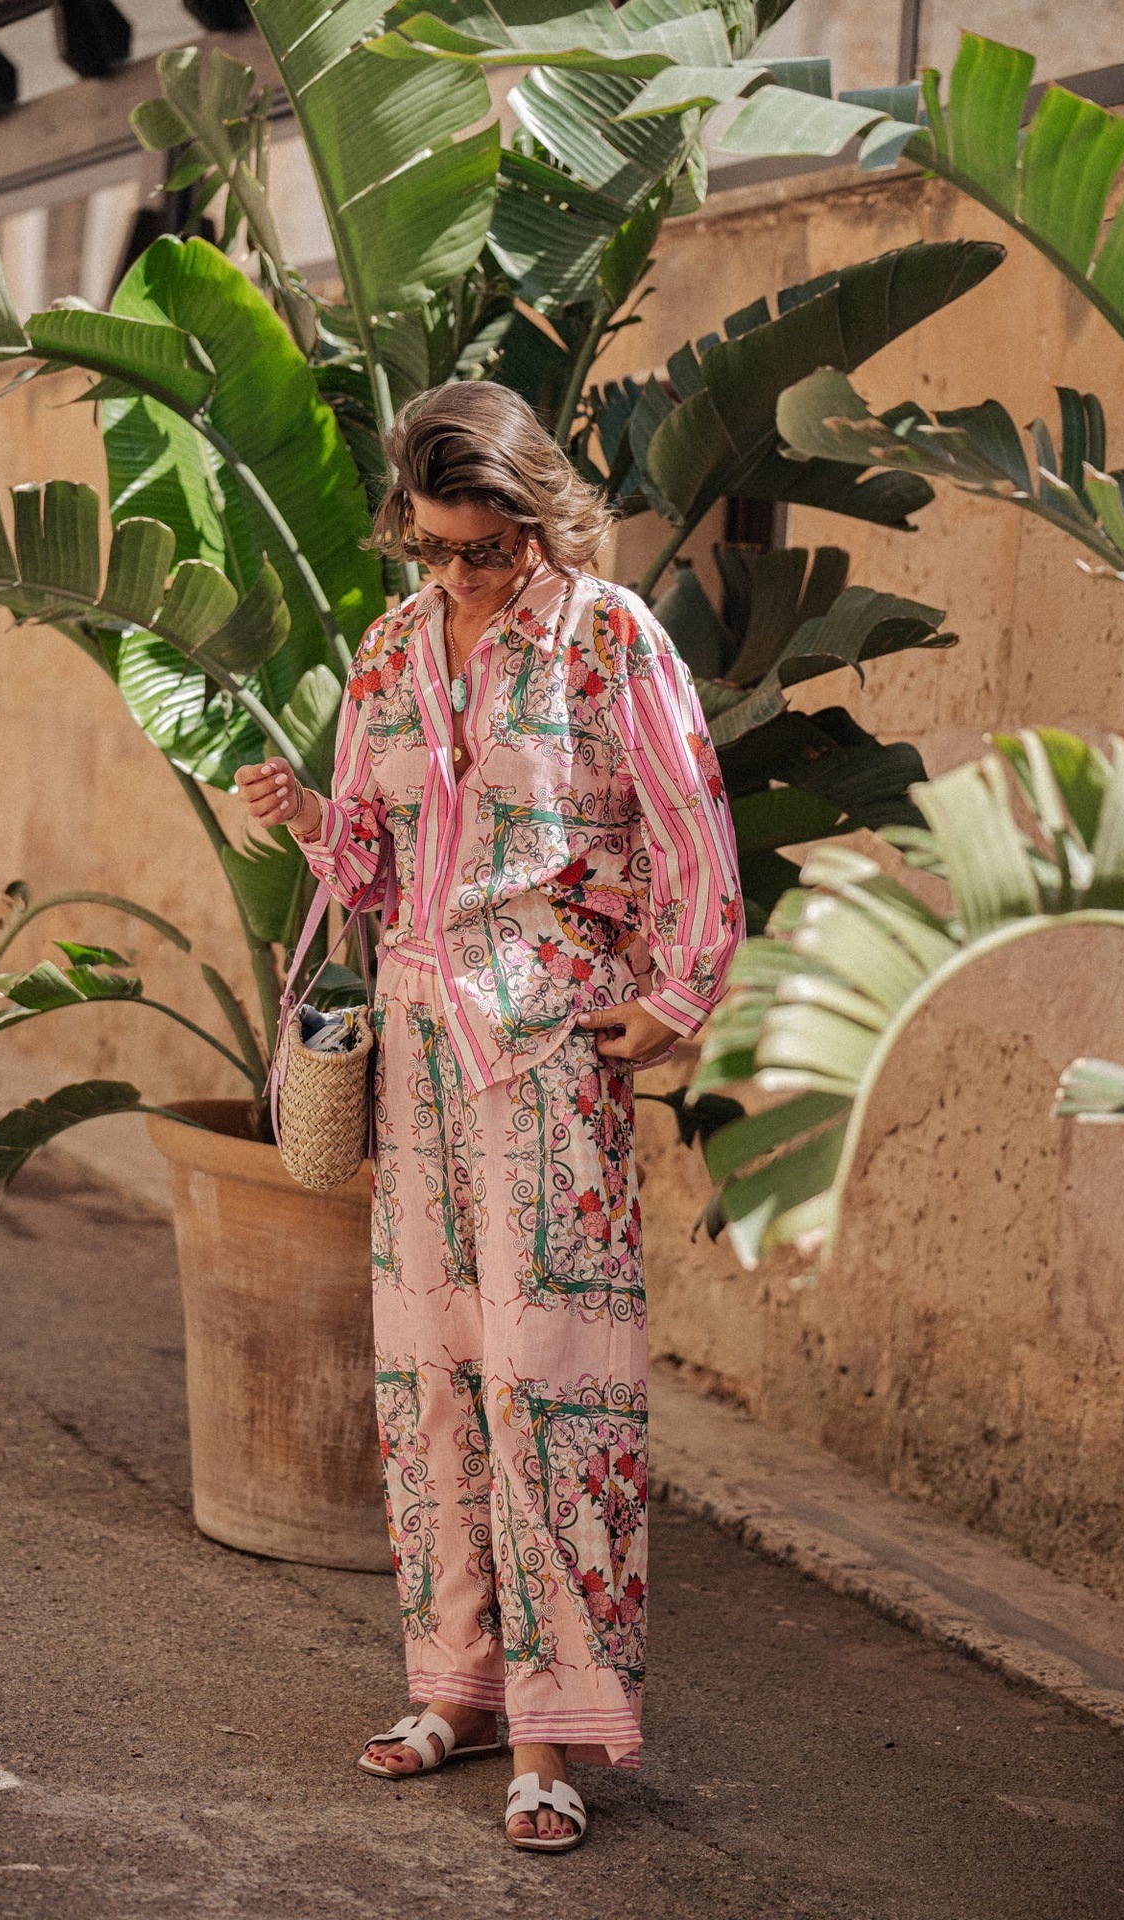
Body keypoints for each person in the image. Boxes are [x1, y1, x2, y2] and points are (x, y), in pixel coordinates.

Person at [237, 382, 742, 1853]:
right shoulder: (392, 648)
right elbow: (379, 867)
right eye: (436, 547)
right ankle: (452, 1689)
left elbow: (692, 828)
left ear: (536, 518)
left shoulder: (607, 638)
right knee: (429, 1378)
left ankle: (552, 1732)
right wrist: (310, 820)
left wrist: (673, 1000)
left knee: (551, 1386)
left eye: (487, 549)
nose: (459, 574)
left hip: (548, 1063)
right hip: (418, 1055)